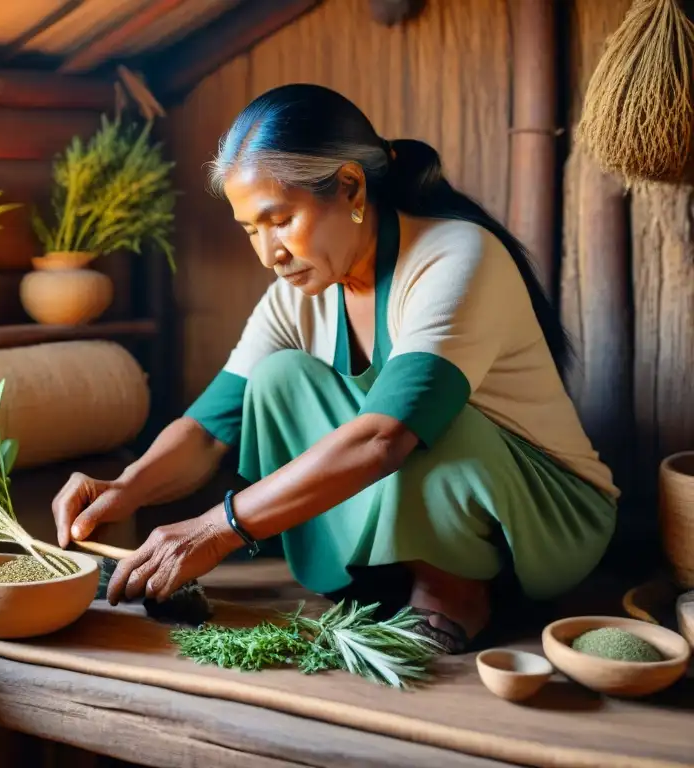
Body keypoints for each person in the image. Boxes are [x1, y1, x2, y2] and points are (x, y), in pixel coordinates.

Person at [51, 83, 618, 654]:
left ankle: (454, 592)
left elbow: (384, 438)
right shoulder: (298, 293)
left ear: (349, 187)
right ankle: (379, 578)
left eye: (280, 219)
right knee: (276, 381)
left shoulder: (455, 256)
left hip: (545, 519)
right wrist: (127, 489)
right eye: (251, 228)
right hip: (415, 505)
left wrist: (215, 530)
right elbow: (207, 431)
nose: (268, 251)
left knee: (427, 421)